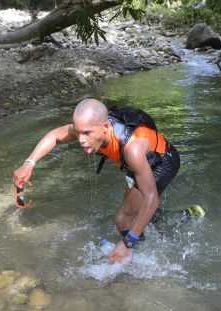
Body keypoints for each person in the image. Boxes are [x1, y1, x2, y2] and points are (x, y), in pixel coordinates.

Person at [12, 98, 180, 263]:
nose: (81, 140)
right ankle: (172, 218)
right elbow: (55, 135)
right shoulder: (92, 126)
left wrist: (125, 243)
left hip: (161, 163)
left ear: (105, 127)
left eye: (86, 133)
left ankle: (137, 255)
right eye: (78, 133)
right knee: (132, 211)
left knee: (123, 219)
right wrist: (29, 164)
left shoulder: (132, 150)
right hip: (136, 164)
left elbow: (151, 199)